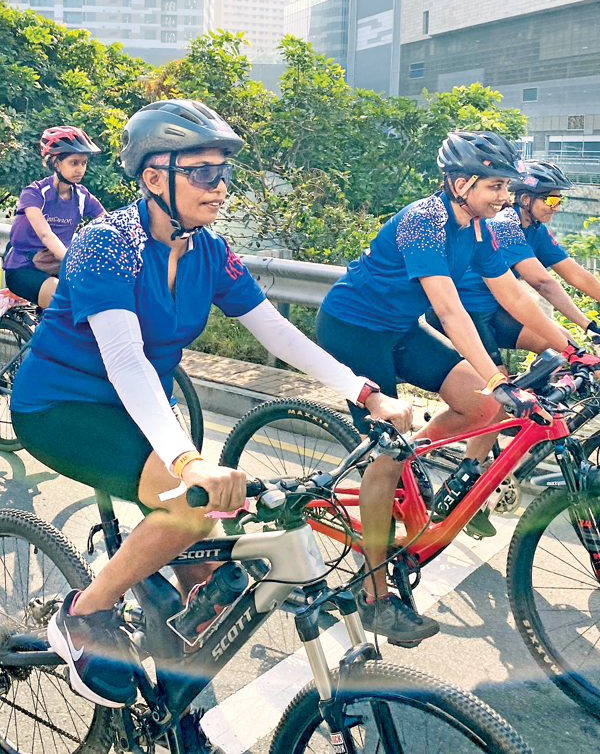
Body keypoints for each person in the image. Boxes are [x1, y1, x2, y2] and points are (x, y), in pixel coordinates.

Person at [10, 99, 410, 733]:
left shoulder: (211, 250)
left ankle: (175, 701)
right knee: (191, 505)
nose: (220, 188)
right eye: (203, 173)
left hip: (145, 410)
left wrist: (364, 392)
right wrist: (187, 459)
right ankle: (83, 613)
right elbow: (126, 359)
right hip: (64, 407)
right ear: (153, 178)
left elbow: (277, 333)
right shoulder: (107, 244)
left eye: (224, 174)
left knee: (210, 569)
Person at [316, 131, 600, 637]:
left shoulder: (483, 229)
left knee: (484, 410)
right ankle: (375, 591)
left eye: (508, 187)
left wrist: (572, 346)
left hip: (399, 329)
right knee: (389, 454)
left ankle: (411, 459)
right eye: (495, 186)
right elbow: (449, 310)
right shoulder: (424, 221)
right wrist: (495, 377)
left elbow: (514, 294)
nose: (505, 197)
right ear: (460, 181)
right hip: (353, 328)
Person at [427, 161, 600, 366]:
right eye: (551, 200)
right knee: (499, 385)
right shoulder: (503, 224)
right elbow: (543, 284)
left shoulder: (535, 229)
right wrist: (589, 326)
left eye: (560, 200)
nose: (557, 208)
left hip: (493, 309)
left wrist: (590, 327)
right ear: (526, 199)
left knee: (566, 347)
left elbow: (576, 274)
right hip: (465, 312)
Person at [3, 127, 106, 308]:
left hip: (58, 267)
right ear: (56, 163)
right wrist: (70, 259)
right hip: (23, 268)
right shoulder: (35, 193)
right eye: (74, 163)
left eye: (84, 163)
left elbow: (108, 223)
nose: (80, 169)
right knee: (61, 300)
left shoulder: (82, 197)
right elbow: (46, 235)